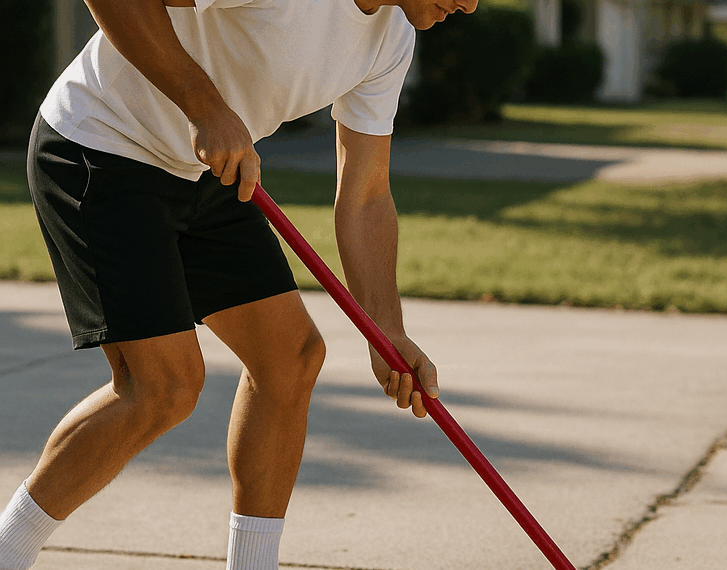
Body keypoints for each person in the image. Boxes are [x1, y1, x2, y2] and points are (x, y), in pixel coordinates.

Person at [0, 0, 476, 567]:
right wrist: (205, 107)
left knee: (290, 360)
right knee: (164, 387)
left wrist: (386, 329)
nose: (470, 4)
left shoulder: (391, 38)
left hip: (203, 166)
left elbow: (366, 192)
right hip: (100, 145)